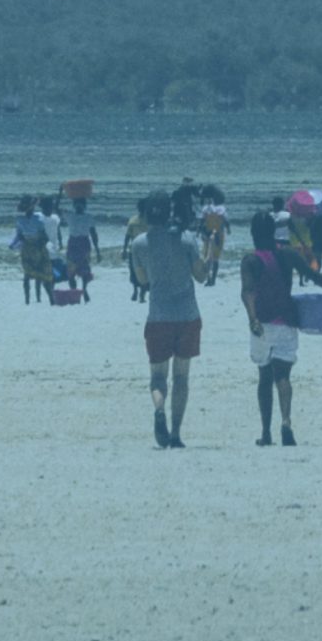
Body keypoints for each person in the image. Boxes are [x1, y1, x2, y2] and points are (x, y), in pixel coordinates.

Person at [240, 211, 322, 446]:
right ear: (274, 232)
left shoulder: (250, 260)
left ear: (253, 233)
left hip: (261, 323)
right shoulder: (288, 254)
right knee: (283, 376)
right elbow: (315, 277)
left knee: (265, 378)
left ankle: (266, 433)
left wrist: (252, 318)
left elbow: (247, 292)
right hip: (287, 320)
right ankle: (286, 421)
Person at [130, 190, 206, 448]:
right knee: (182, 377)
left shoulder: (139, 243)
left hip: (158, 316)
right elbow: (202, 276)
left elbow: (142, 280)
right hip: (187, 315)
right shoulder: (186, 239)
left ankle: (159, 408)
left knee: (158, 377)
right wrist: (207, 252)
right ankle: (175, 434)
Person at [15, 195, 53, 304]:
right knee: (37, 272)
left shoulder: (21, 219)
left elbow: (20, 235)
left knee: (30, 273)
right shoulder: (35, 218)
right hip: (34, 246)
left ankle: (31, 299)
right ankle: (44, 298)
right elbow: (43, 234)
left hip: (30, 246)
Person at [63, 196, 99, 297]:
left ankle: (79, 290)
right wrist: (97, 250)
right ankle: (82, 290)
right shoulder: (86, 217)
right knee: (82, 268)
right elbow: (94, 235)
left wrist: (60, 193)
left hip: (75, 244)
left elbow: (93, 234)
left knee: (73, 269)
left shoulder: (70, 216)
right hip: (83, 243)